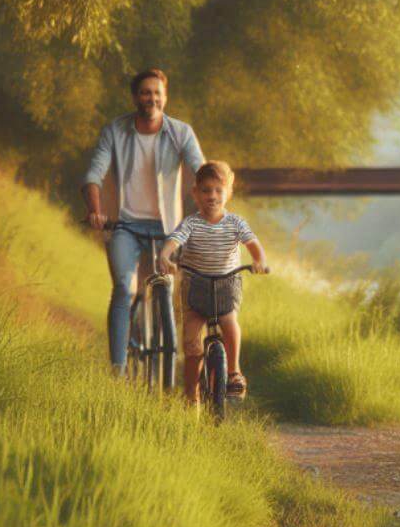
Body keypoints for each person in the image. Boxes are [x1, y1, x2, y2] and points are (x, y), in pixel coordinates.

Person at [83, 69, 206, 373]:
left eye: (157, 93)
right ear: (135, 97)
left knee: (164, 287)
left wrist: (211, 207)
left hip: (168, 230)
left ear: (165, 97)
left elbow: (200, 171)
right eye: (145, 92)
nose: (151, 98)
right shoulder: (115, 131)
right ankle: (118, 370)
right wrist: (96, 211)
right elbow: (93, 174)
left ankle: (165, 361)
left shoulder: (181, 132)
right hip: (124, 226)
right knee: (124, 289)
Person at [156, 161, 268, 403]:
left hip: (227, 285)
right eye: (206, 190)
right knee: (192, 345)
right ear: (195, 193)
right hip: (196, 286)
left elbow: (253, 244)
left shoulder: (235, 223)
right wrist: (164, 255)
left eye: (218, 190)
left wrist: (259, 261)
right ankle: (190, 396)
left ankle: (234, 372)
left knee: (229, 321)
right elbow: (174, 240)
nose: (212, 196)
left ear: (228, 193)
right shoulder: (191, 223)